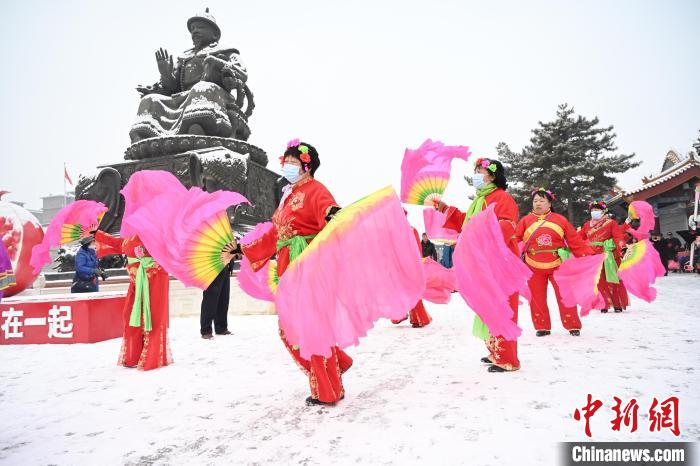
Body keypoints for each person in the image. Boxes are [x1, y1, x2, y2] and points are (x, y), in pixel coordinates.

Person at [235, 140, 351, 405]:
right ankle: (335, 365)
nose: (288, 166)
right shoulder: (288, 197)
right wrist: (242, 250)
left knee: (310, 328)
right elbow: (274, 234)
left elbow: (327, 209)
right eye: (286, 162)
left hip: (309, 267)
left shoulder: (315, 190)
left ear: (307, 167)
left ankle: (327, 390)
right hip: (289, 269)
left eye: (294, 163)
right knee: (292, 328)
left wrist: (332, 212)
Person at [436, 158, 520, 372]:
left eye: (480, 170)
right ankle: (495, 351)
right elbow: (468, 224)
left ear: (492, 175)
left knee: (503, 307)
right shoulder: (480, 199)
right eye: (475, 170)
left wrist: (482, 233)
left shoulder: (502, 198)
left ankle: (508, 358)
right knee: (488, 305)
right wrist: (445, 209)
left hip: (500, 263)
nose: (475, 173)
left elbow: (508, 225)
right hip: (484, 262)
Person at [130, 9, 249, 142]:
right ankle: (145, 137)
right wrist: (165, 72)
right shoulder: (185, 57)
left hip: (213, 94)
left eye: (201, 27)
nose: (195, 31)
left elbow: (242, 73)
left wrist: (218, 63)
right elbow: (172, 88)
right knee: (151, 99)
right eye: (193, 28)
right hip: (184, 97)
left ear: (215, 34)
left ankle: (197, 128)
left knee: (201, 89)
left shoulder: (226, 52)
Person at [515, 188, 594, 336]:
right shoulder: (525, 221)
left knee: (565, 296)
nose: (537, 203)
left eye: (542, 201)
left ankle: (572, 325)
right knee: (536, 298)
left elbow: (575, 241)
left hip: (558, 264)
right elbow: (514, 240)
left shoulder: (560, 219)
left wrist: (588, 255)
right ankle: (542, 327)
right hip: (533, 265)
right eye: (535, 201)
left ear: (549, 203)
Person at [93, 231, 172, 371]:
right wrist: (96, 234)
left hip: (155, 278)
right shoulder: (131, 236)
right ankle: (133, 355)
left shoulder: (157, 232)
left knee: (153, 316)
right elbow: (118, 244)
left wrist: (148, 255)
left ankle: (152, 357)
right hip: (137, 282)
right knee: (130, 314)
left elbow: (169, 249)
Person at [579, 200, 629, 313]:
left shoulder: (611, 223)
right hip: (593, 256)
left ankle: (617, 304)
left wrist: (622, 247)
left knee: (613, 279)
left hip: (609, 255)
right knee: (599, 281)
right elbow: (578, 238)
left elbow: (618, 237)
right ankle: (604, 304)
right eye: (592, 210)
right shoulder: (587, 225)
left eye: (597, 210)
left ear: (603, 211)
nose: (594, 212)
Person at [392, 227, 433, 328]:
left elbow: (417, 249)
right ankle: (402, 315)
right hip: (400, 265)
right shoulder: (395, 230)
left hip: (410, 265)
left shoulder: (410, 230)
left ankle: (418, 318)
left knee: (412, 291)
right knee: (400, 290)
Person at [200, 251, 238, 339]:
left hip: (226, 265)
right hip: (214, 265)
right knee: (210, 299)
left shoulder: (229, 237)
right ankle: (206, 330)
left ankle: (221, 328)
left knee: (223, 299)